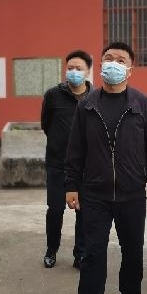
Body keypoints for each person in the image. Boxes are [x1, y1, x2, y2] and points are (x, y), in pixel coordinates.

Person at [65, 41, 147, 294]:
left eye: (120, 60)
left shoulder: (142, 104)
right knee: (92, 253)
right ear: (100, 65)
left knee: (133, 251)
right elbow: (75, 150)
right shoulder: (86, 106)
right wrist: (71, 185)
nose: (113, 63)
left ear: (130, 69)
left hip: (131, 192)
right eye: (108, 58)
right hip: (94, 193)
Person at [40, 50, 92, 269]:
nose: (74, 72)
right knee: (55, 209)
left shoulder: (95, 98)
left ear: (88, 71)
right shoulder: (53, 95)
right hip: (57, 163)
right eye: (70, 67)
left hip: (85, 167)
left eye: (79, 68)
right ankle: (51, 250)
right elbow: (46, 124)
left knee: (83, 211)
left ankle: (80, 253)